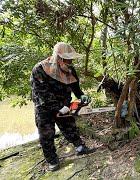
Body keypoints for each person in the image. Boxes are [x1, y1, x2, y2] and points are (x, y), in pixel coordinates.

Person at [30, 42, 93, 171]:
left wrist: (81, 96)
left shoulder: (70, 70)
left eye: (71, 59)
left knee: (70, 127)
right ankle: (52, 160)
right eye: (67, 58)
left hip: (64, 105)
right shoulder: (40, 69)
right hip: (44, 108)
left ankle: (80, 147)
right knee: (46, 135)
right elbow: (42, 94)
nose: (70, 61)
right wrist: (58, 107)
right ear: (58, 57)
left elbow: (76, 88)